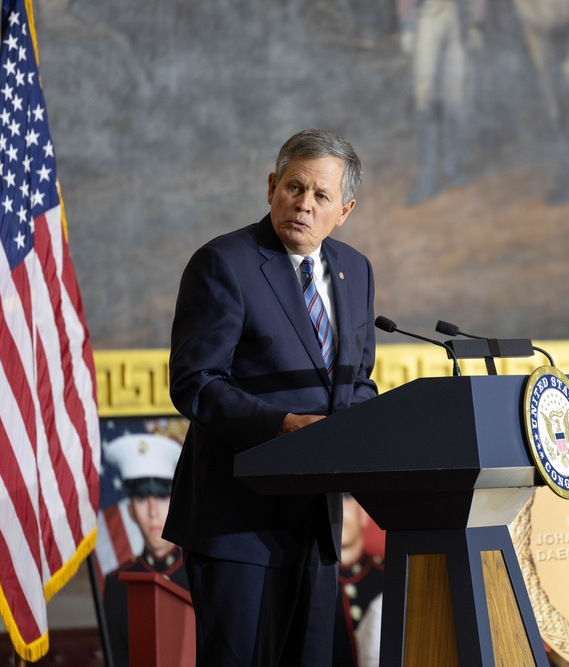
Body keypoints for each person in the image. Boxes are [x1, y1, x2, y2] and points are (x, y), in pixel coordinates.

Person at [163, 128, 378, 666]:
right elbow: (196, 382)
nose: (304, 205)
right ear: (271, 187)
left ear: (344, 209)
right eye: (294, 188)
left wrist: (379, 427)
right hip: (238, 523)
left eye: (321, 196)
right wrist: (280, 424)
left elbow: (357, 382)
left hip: (315, 527)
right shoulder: (225, 263)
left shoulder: (356, 272)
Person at [102, 433, 187, 667]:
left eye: (161, 497)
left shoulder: (202, 576)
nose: (152, 511)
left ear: (176, 502)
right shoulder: (117, 585)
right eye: (141, 498)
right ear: (129, 510)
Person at [398, 0, 485, 205]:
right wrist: (407, 25)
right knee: (424, 96)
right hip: (428, 15)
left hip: (458, 16)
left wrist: (477, 24)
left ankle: (452, 168)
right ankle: (426, 179)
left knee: (455, 95)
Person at [333, 494, 384, 667]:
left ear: (363, 513)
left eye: (345, 499)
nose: (336, 510)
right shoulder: (306, 584)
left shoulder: (389, 576)